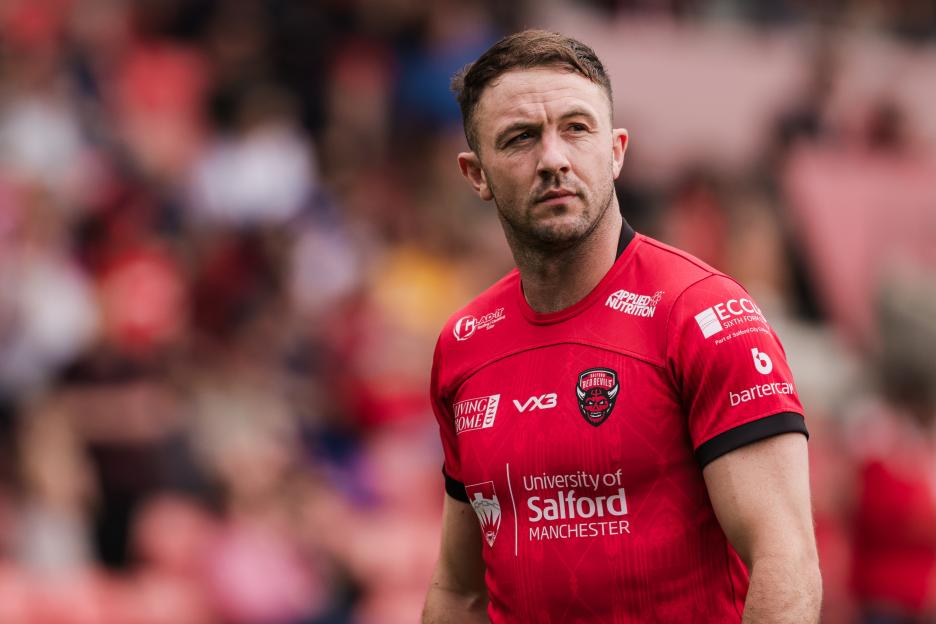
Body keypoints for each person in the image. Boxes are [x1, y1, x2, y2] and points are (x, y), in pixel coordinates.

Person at [422, 30, 821, 623]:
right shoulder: (464, 345)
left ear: (616, 151)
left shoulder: (706, 316)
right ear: (476, 174)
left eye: (577, 128)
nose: (553, 158)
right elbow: (459, 590)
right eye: (520, 138)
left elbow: (785, 561)